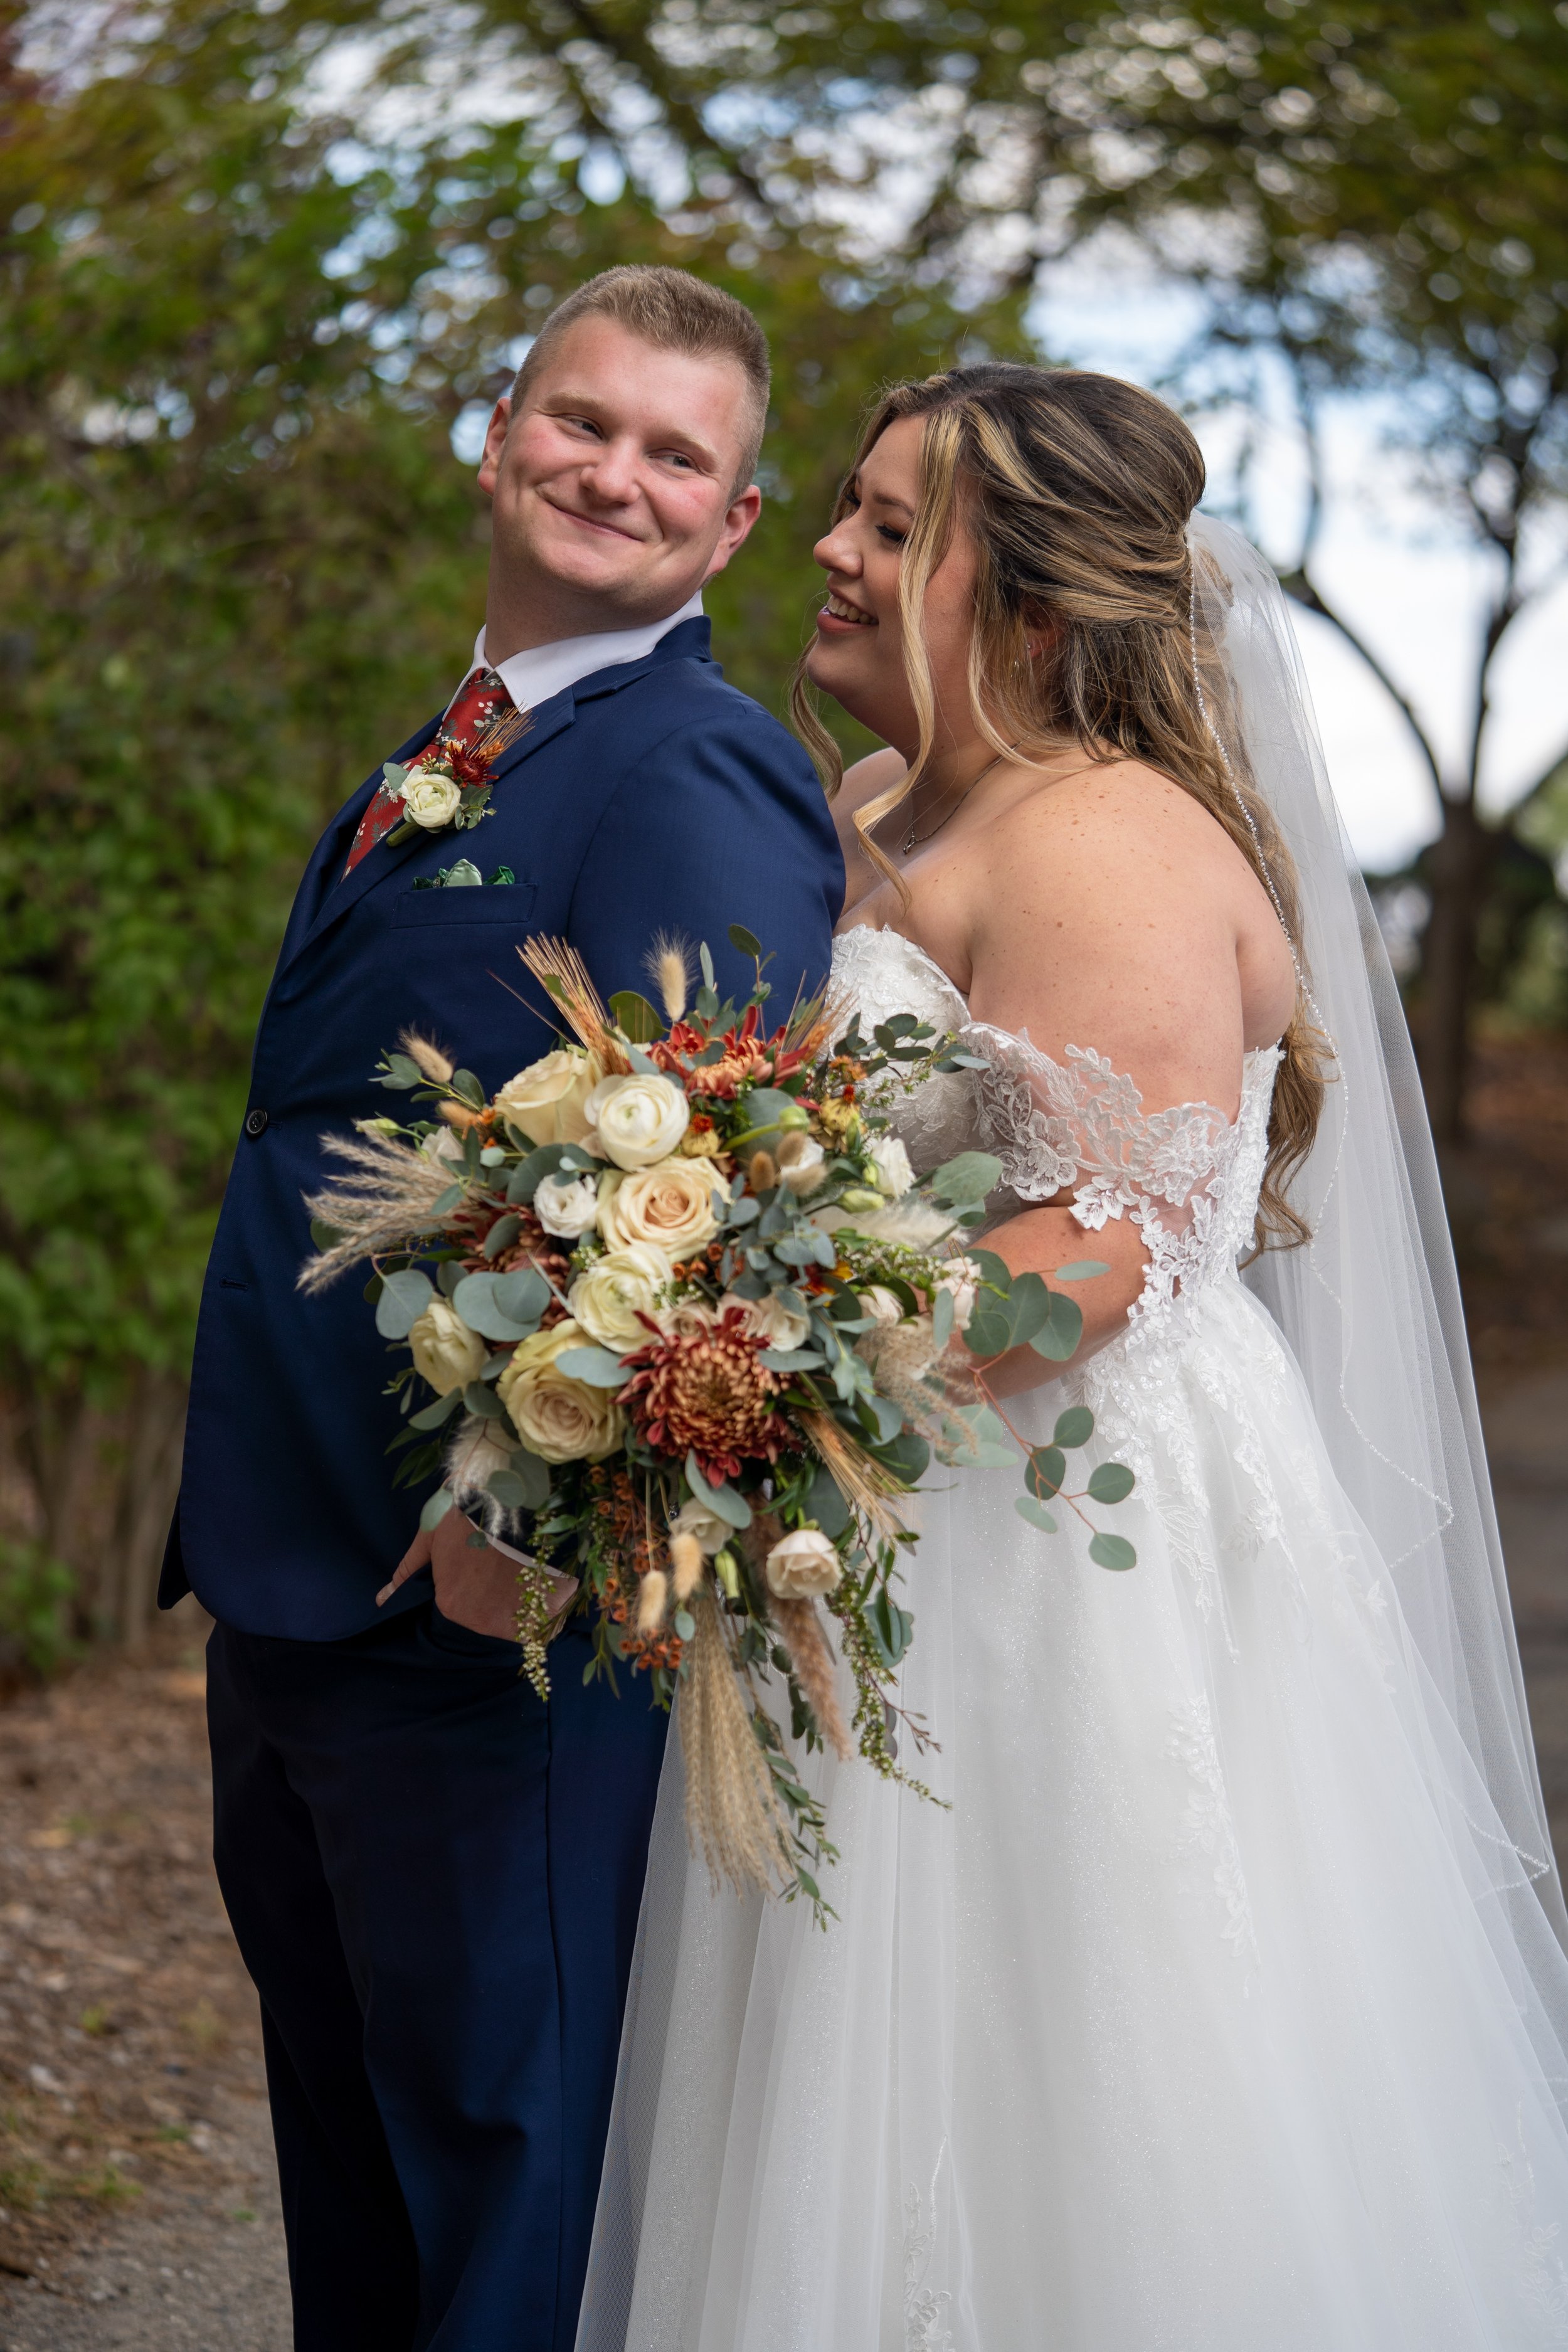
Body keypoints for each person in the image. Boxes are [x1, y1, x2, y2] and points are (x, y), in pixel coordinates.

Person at [575, 365, 1568, 2348]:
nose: (831, 554)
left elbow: (1109, 1241)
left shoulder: (1104, 842)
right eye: (847, 510)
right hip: (877, 1493)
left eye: (882, 527)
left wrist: (773, 1367)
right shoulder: (880, 801)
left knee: (1057, 2040)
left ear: (1024, 606)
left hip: (1041, 1535)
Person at [157, 265, 843, 2352]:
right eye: (579, 420)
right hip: (293, 1562)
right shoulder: (453, 741)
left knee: (495, 2162)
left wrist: (529, 1527)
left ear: (734, 527)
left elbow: (705, 1182)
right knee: (347, 2157)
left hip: (475, 1590)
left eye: (674, 456)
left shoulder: (693, 765)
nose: (610, 475)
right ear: (496, 431)